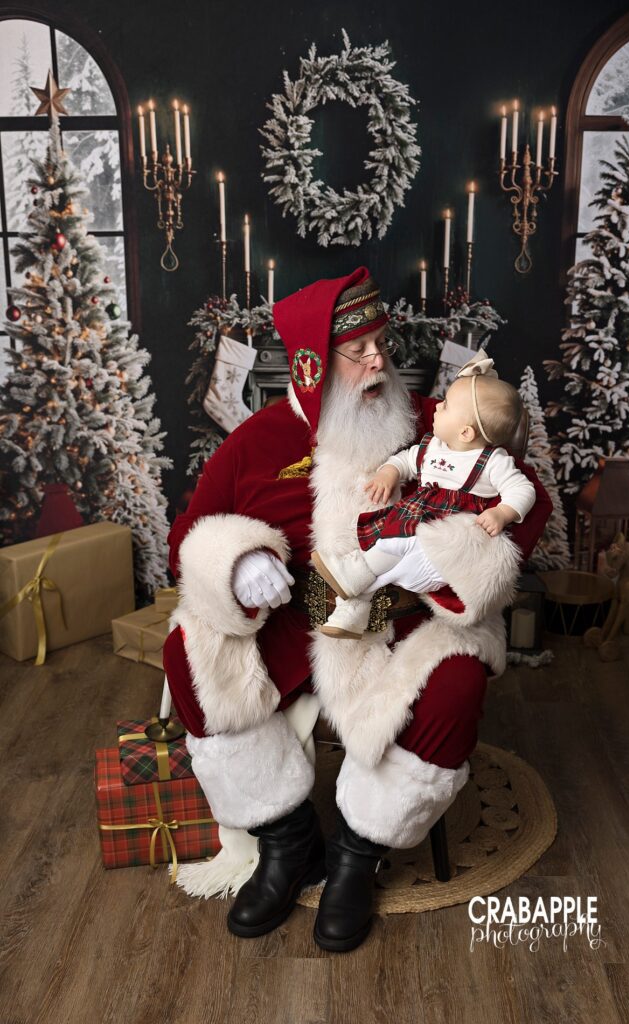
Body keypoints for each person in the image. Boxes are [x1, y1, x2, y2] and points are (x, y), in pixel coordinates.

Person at [163, 266, 553, 953]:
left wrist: (453, 551)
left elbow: (531, 499)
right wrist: (238, 560)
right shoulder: (253, 443)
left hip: (402, 620)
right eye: (359, 351)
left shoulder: (440, 421)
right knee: (190, 654)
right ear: (312, 363)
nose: (380, 362)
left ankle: (356, 855)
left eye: (382, 344)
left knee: (457, 683)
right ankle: (287, 842)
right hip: (292, 618)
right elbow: (184, 539)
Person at [311, 351, 537, 638]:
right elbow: (405, 460)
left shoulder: (492, 461)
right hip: (415, 522)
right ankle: (353, 610)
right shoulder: (432, 448)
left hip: (445, 540)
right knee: (389, 548)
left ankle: (354, 573)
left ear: (466, 432)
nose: (438, 406)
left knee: (397, 549)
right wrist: (389, 473)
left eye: (446, 406)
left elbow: (523, 489)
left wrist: (502, 512)